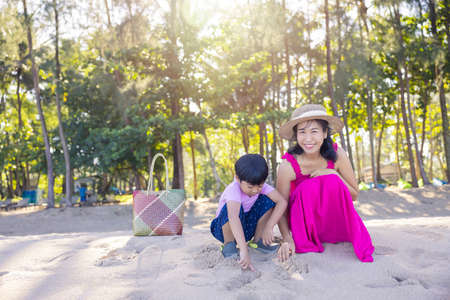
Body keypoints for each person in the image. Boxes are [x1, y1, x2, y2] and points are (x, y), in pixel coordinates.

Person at [276, 104, 374, 263]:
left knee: (331, 180)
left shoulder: (337, 154)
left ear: (325, 133)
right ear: (296, 135)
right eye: (302, 132)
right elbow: (281, 206)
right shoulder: (287, 166)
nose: (308, 139)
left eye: (314, 131)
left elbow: (354, 195)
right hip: (306, 230)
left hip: (336, 225)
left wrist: (333, 173)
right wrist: (287, 239)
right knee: (307, 187)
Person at [210, 154, 288, 270]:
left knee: (268, 200)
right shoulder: (233, 190)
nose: (256, 190)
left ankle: (258, 242)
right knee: (231, 208)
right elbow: (233, 218)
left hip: (246, 227)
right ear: (237, 178)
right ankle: (229, 245)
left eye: (259, 186)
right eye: (250, 187)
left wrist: (269, 227)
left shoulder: (260, 187)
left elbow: (282, 202)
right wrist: (243, 250)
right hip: (223, 228)